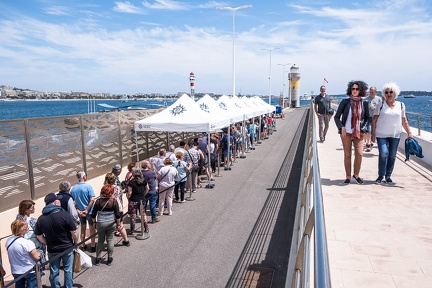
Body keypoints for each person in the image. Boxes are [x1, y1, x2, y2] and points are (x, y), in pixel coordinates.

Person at [371, 82, 413, 184]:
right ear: (384, 94)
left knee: (392, 155)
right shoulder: (380, 105)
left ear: (395, 93)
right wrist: (373, 133)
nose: (389, 94)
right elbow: (374, 120)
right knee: (384, 153)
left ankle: (388, 176)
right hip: (381, 134)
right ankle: (381, 175)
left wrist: (409, 132)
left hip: (395, 134)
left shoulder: (401, 105)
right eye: (387, 92)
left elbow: (404, 120)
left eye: (391, 92)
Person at [35, 193, 78, 288]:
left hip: (52, 249)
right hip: (67, 247)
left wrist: (47, 242)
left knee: (54, 271)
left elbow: (38, 235)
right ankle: (68, 286)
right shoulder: (64, 214)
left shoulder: (41, 219)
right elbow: (74, 232)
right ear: (55, 202)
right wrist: (76, 243)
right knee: (68, 270)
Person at [334, 80, 370, 184]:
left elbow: (368, 118)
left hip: (359, 133)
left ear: (361, 90)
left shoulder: (364, 103)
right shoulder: (345, 102)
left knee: (359, 153)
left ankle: (356, 174)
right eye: (353, 89)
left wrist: (363, 128)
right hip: (346, 133)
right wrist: (341, 127)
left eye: (357, 89)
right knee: (347, 155)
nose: (354, 91)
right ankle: (348, 176)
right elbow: (336, 117)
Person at [91, 184, 123, 266]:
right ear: (111, 192)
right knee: (110, 239)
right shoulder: (113, 201)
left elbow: (93, 215)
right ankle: (109, 258)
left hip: (101, 223)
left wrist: (94, 223)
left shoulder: (98, 201)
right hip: (111, 223)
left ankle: (98, 258)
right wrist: (118, 224)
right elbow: (117, 215)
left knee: (100, 240)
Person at [6, 220, 41, 288]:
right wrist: (40, 254)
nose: (28, 228)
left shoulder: (8, 240)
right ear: (23, 229)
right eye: (26, 226)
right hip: (30, 270)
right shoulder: (27, 243)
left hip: (16, 270)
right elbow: (36, 257)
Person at [70, 171, 96, 252]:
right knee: (92, 228)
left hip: (80, 212)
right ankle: (92, 245)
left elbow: (72, 202)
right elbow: (92, 200)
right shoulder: (88, 187)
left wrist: (78, 211)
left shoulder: (73, 189)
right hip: (90, 211)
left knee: (83, 228)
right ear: (84, 177)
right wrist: (87, 210)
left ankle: (83, 245)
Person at [104, 173, 129, 245]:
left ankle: (110, 243)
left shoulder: (105, 188)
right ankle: (126, 240)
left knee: (109, 226)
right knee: (120, 224)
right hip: (118, 207)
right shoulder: (118, 188)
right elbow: (120, 197)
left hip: (109, 207)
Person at [126, 167, 149, 235]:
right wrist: (143, 194)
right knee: (143, 214)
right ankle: (146, 228)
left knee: (133, 215)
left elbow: (129, 193)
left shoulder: (131, 182)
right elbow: (147, 188)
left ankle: (132, 230)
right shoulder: (143, 180)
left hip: (133, 200)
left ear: (133, 173)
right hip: (142, 199)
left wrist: (128, 197)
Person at [363, 86, 382, 152]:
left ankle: (372, 142)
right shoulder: (365, 99)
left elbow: (382, 108)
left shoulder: (379, 99)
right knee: (368, 130)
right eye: (370, 92)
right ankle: (368, 143)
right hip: (368, 117)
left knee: (376, 131)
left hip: (377, 118)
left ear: (376, 92)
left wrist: (376, 108)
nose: (371, 93)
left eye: (373, 92)